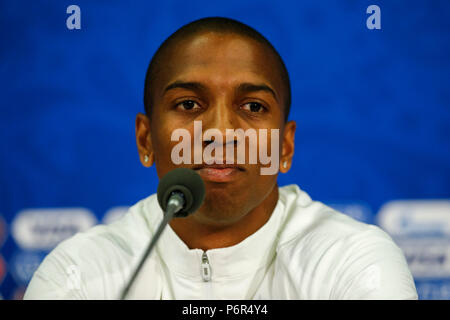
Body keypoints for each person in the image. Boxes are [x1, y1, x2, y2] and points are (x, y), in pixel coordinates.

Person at [24, 17, 417, 300]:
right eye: (190, 104)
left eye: (252, 106)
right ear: (145, 139)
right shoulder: (79, 274)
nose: (220, 132)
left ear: (285, 147)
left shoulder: (353, 262)